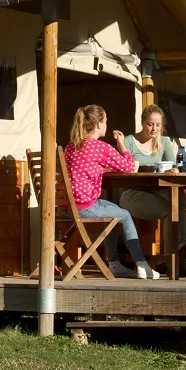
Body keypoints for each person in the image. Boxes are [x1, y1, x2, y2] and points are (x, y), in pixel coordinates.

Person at [62, 104, 162, 279]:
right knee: (124, 215)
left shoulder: (71, 147)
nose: (107, 124)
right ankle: (142, 265)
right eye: (106, 121)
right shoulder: (100, 147)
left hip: (66, 206)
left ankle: (114, 263)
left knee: (113, 212)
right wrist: (122, 145)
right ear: (99, 124)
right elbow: (129, 167)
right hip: (85, 207)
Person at [117, 104, 186, 253]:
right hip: (133, 191)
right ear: (143, 122)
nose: (154, 129)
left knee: (180, 196)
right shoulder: (130, 141)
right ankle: (171, 256)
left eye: (158, 125)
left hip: (157, 188)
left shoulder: (163, 142)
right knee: (170, 210)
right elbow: (124, 168)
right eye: (150, 124)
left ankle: (180, 248)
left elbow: (173, 167)